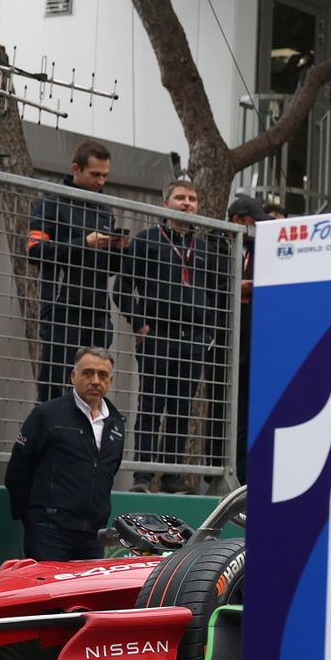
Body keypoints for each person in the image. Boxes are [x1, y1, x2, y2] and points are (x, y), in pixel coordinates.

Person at [119, 179, 226, 492]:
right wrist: (138, 323)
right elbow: (122, 286)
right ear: (165, 204)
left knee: (182, 408)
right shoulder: (146, 240)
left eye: (192, 199)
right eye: (180, 198)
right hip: (157, 336)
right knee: (152, 405)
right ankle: (142, 476)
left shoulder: (205, 249)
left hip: (193, 340)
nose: (187, 204)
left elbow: (217, 296)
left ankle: (171, 476)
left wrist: (209, 333)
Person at [27, 139, 127, 402]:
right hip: (63, 310)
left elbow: (109, 269)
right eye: (95, 174)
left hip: (97, 313)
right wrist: (83, 243)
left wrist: (118, 249)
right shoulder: (52, 201)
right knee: (53, 390)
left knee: (92, 391)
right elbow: (34, 250)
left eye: (105, 175)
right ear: (76, 169)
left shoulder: (105, 209)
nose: (101, 181)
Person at [5, 347, 127, 560]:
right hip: (49, 533)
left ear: (111, 380)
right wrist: (34, 518)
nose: (96, 381)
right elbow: (18, 471)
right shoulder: (47, 415)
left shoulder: (116, 424)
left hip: (93, 536)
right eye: (88, 373)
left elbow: (108, 472)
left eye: (103, 375)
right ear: (73, 376)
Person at [227, 194, 263, 445]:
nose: (257, 227)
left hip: (253, 337)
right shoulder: (220, 246)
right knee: (227, 405)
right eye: (253, 221)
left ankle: (242, 470)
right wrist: (233, 287)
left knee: (248, 407)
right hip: (225, 339)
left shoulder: (258, 249)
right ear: (237, 220)